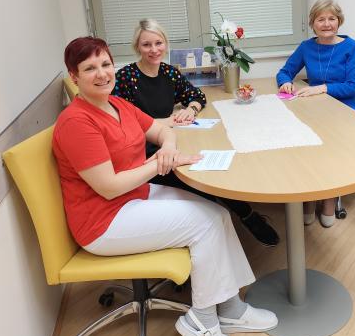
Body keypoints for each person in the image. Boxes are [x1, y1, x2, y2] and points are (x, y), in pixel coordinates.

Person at [53, 37, 277, 336]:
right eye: (90, 68)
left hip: (134, 196)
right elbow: (109, 187)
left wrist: (168, 148)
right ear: (74, 76)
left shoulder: (116, 105)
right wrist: (160, 163)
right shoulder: (77, 122)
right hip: (103, 220)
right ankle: (201, 320)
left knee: (217, 212)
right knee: (204, 224)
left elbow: (161, 130)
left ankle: (231, 308)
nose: (102, 73)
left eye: (105, 64)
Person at [112, 19, 280, 247]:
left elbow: (197, 95)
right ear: (137, 47)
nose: (154, 50)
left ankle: (245, 215)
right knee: (203, 180)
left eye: (158, 43)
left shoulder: (169, 73)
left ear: (165, 44)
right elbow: (123, 124)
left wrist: (190, 110)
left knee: (214, 164)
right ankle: (235, 222)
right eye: (146, 45)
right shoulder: (125, 77)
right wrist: (167, 121)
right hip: (145, 155)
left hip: (171, 140)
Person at [276, 0, 355, 227]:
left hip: (347, 109)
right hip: (317, 108)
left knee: (329, 149)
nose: (327, 24)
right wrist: (285, 82)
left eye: (332, 18)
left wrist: (322, 88)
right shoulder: (306, 47)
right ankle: (308, 199)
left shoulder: (351, 47)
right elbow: (285, 71)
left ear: (339, 21)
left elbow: (353, 86)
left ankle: (328, 200)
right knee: (303, 146)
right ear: (313, 24)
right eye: (321, 19)